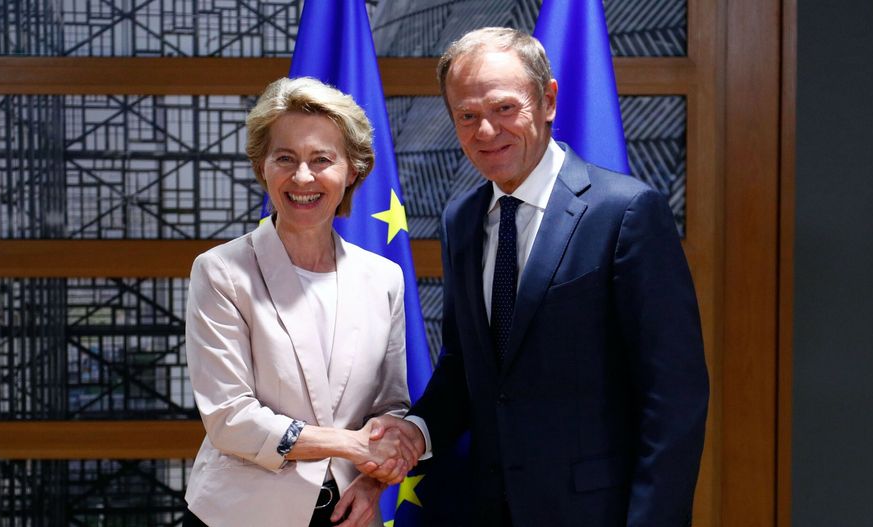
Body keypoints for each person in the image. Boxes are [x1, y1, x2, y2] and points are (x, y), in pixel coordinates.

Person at [368, 27, 709, 526]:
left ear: (547, 100)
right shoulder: (461, 220)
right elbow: (467, 367)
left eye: (505, 108)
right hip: (485, 508)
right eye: (467, 116)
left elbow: (673, 396)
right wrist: (416, 431)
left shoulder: (626, 212)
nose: (486, 131)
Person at [184, 77, 419, 527]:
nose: (303, 177)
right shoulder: (220, 272)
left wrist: (371, 482)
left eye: (322, 160)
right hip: (239, 516)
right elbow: (231, 419)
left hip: (351, 512)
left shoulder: (384, 278)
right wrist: (350, 445)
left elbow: (390, 409)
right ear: (262, 167)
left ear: (353, 170)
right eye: (285, 159)